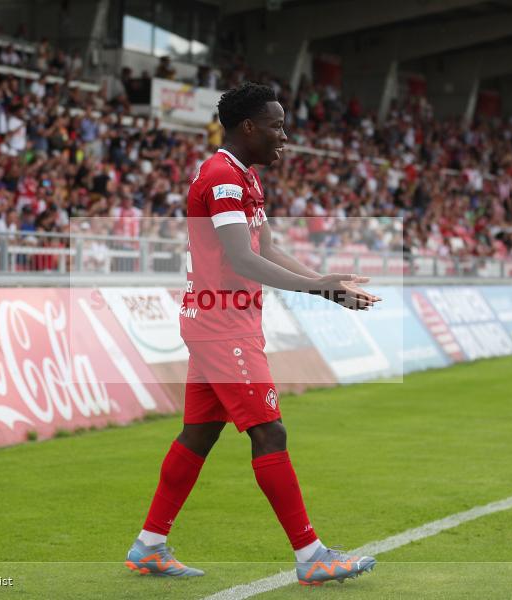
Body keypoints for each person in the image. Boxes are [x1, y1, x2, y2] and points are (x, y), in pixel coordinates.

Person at [126, 82, 379, 586]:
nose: (283, 136)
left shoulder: (243, 177)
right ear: (248, 127)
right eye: (276, 126)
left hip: (222, 324)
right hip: (223, 328)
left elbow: (266, 245)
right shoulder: (222, 178)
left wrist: (327, 285)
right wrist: (317, 289)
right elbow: (242, 257)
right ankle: (312, 556)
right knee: (269, 431)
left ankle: (149, 544)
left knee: (199, 434)